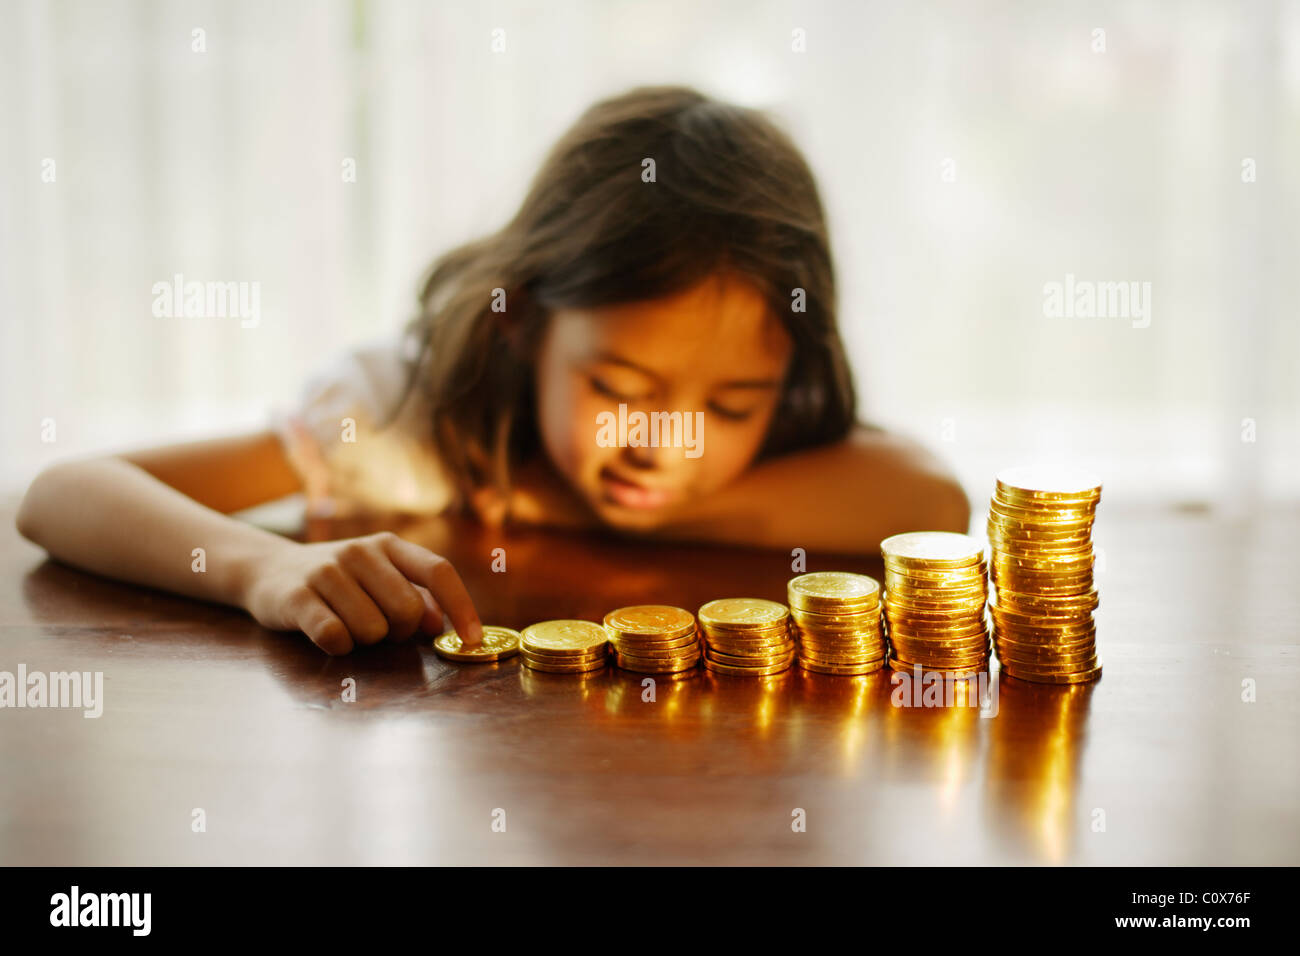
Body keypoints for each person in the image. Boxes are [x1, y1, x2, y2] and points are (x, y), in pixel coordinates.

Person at [16, 86, 969, 656]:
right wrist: (266, 570)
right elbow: (61, 494)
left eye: (730, 404)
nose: (664, 444)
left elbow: (931, 500)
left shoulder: (748, 430)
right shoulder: (397, 422)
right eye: (619, 391)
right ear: (522, 326)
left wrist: (549, 499)